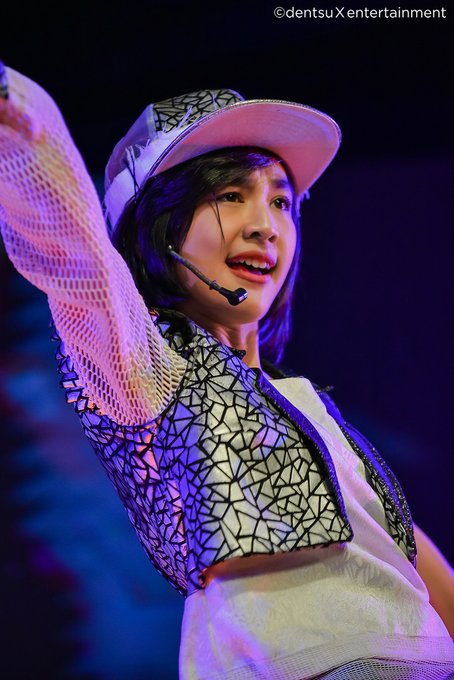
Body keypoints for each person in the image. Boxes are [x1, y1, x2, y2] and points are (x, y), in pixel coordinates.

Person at [0, 63, 453, 680]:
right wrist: (19, 114)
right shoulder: (149, 372)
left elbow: (416, 570)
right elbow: (75, 255)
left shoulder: (308, 408)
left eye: (281, 201)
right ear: (159, 229)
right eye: (230, 195)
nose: (266, 226)